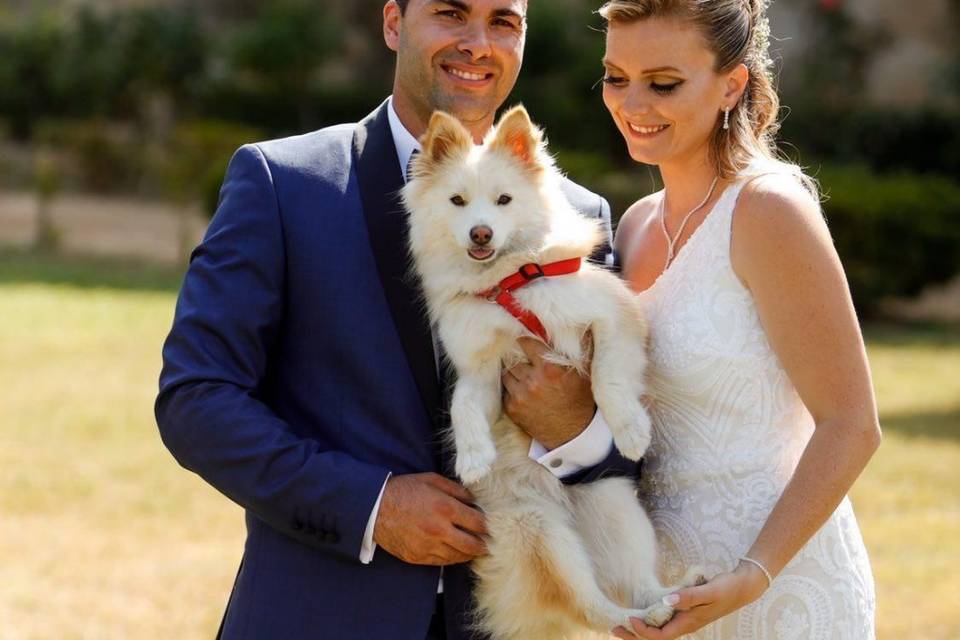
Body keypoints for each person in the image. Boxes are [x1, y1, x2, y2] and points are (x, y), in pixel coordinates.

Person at [154, 1, 634, 639]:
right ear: (392, 23)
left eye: (503, 22)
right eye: (451, 13)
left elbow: (628, 454)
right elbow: (197, 399)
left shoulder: (579, 215)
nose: (477, 44)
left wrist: (575, 428)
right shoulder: (284, 183)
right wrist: (372, 507)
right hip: (320, 616)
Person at [596, 1, 881, 639]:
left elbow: (852, 425)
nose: (632, 103)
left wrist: (756, 573)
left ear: (733, 83)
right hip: (661, 601)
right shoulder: (635, 225)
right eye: (616, 77)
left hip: (778, 592)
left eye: (663, 83)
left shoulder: (767, 209)